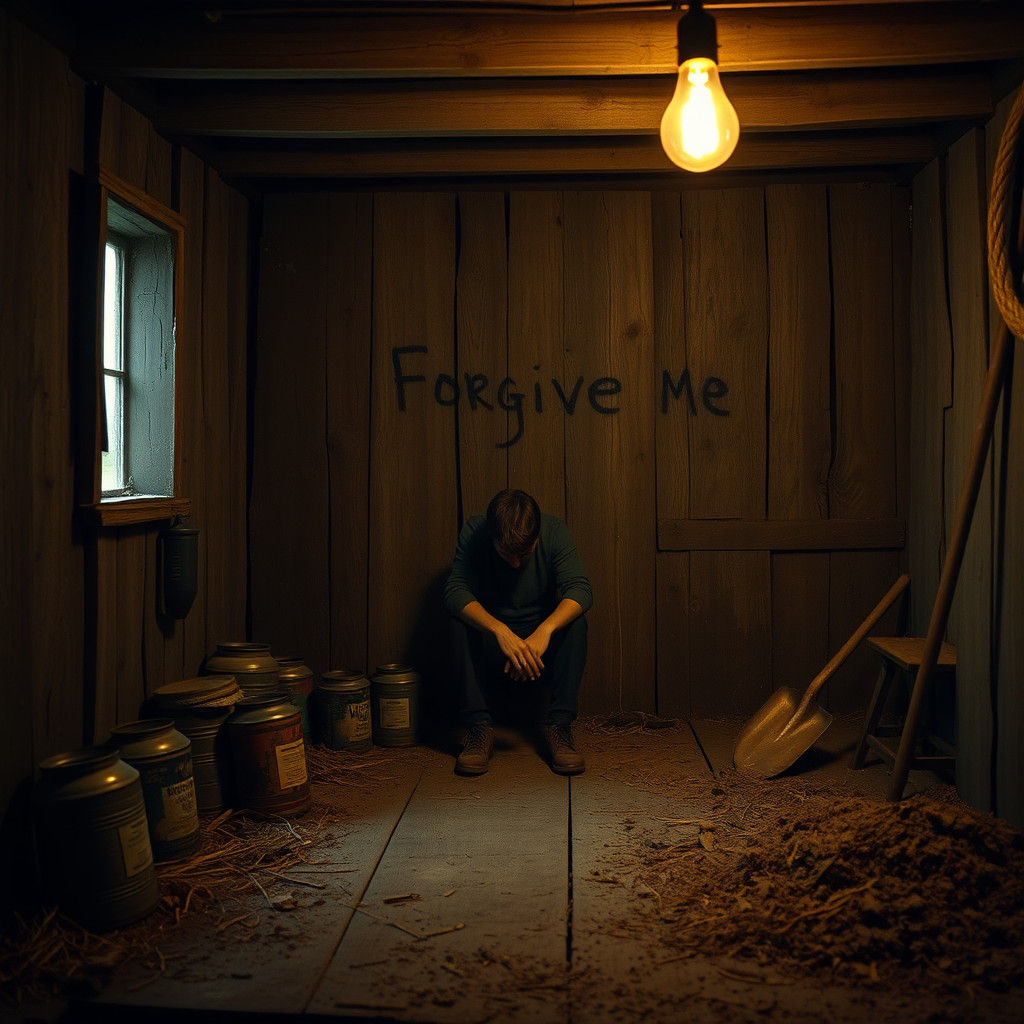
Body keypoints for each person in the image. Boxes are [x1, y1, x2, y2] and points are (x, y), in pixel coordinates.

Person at [443, 488, 592, 776]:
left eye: (524, 554)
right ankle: (478, 729)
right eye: (506, 553)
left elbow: (581, 589)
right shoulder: (475, 532)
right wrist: (500, 631)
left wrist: (544, 631)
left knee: (577, 621)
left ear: (536, 537)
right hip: (493, 646)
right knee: (457, 620)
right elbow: (454, 590)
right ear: (491, 537)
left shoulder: (554, 531)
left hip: (540, 648)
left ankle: (559, 726)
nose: (515, 563)